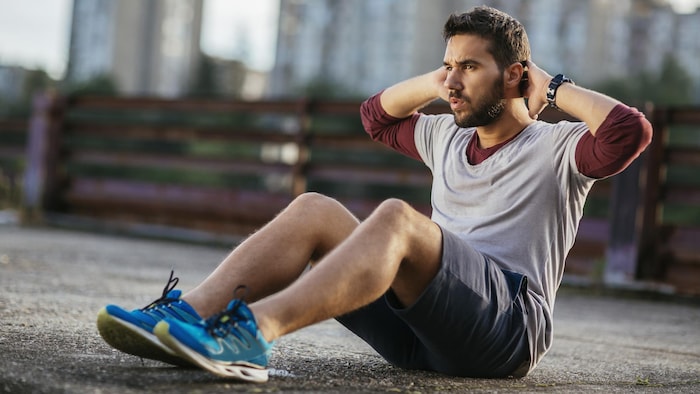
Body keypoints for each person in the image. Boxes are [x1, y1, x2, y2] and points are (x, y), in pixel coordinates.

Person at [97, 6, 652, 383]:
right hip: (423, 337)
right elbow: (376, 116)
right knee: (316, 208)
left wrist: (552, 88)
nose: (452, 81)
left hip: (506, 332)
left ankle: (250, 333)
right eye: (448, 66)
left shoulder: (557, 149)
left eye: (470, 68)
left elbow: (629, 132)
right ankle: (184, 316)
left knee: (396, 219)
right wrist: (441, 81)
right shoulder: (445, 135)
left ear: (515, 75)